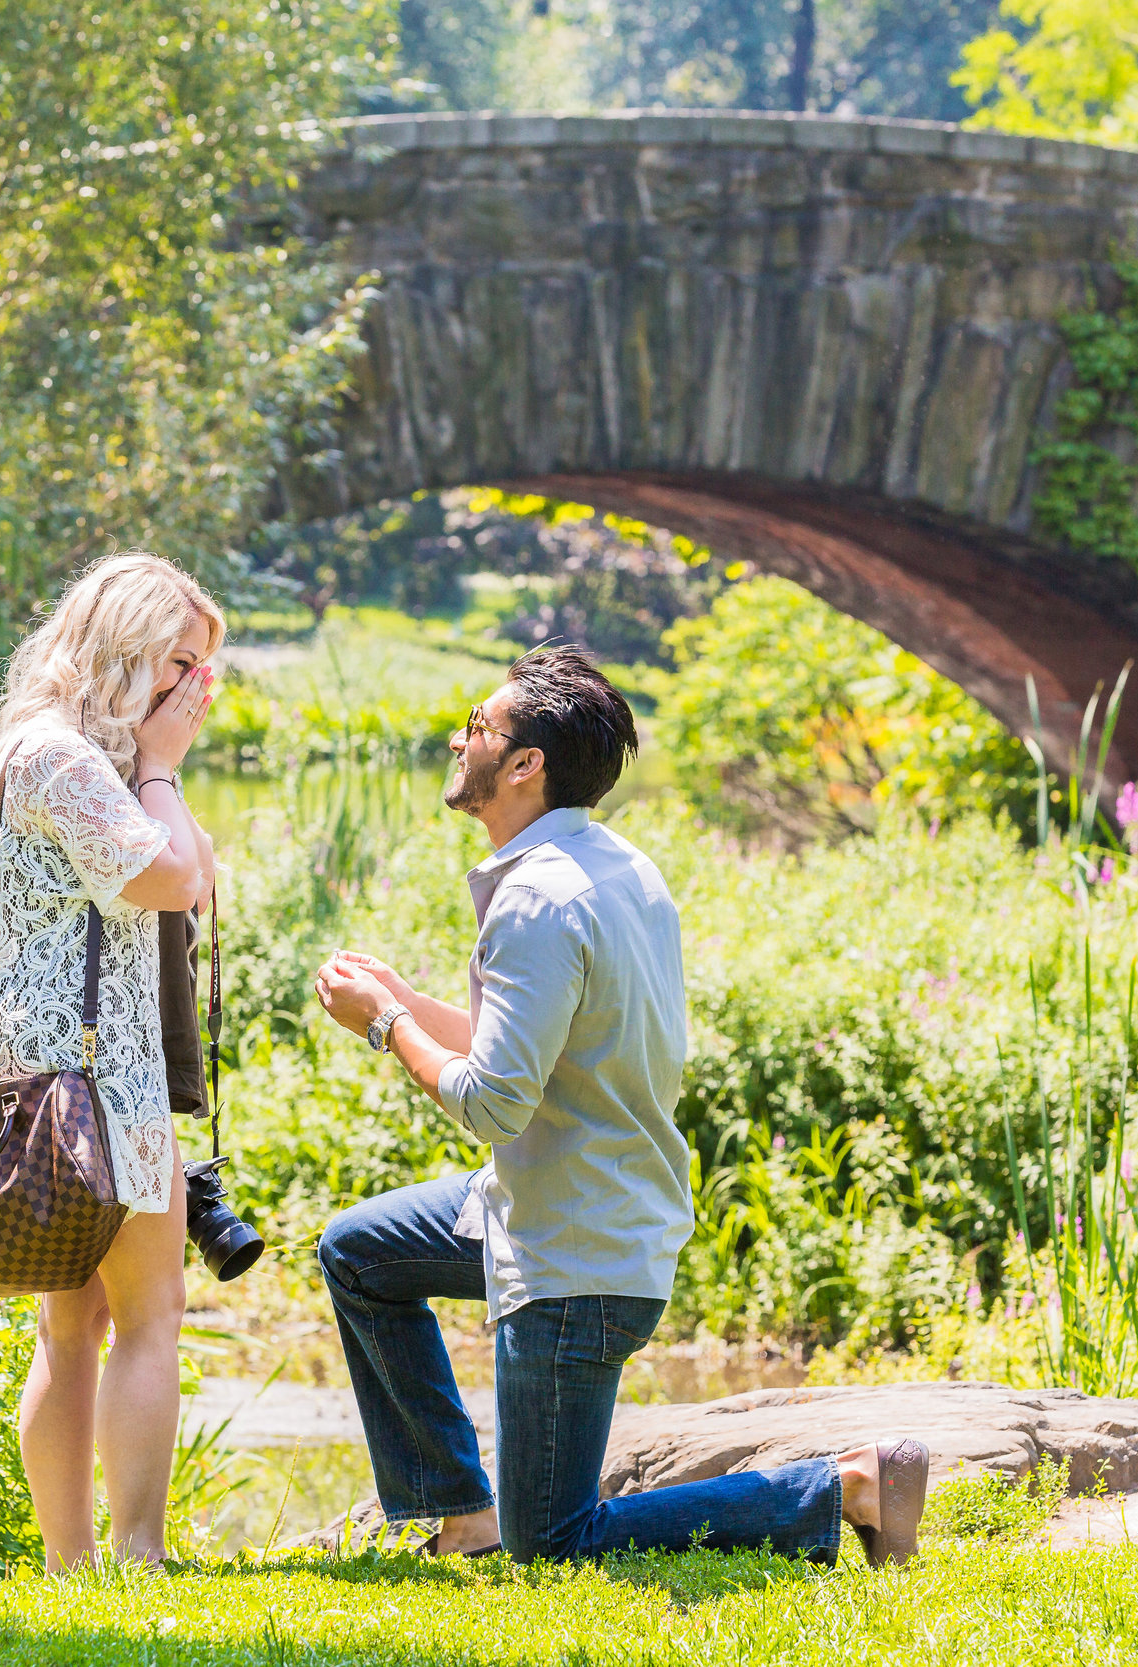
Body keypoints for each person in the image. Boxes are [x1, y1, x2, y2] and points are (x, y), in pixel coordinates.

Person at [312, 648, 929, 1566]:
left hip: (576, 1256)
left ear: (525, 765)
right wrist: (408, 997)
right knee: (360, 1252)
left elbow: (490, 1103)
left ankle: (845, 1485)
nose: (458, 736)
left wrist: (386, 1021)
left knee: (555, 1545)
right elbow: (527, 1045)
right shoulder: (610, 865)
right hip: (574, 1206)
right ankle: (461, 1512)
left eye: (478, 726)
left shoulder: (534, 899)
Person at [0, 551, 222, 1570]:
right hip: (95, 1073)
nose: (190, 691)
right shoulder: (67, 760)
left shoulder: (50, 756)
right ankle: (135, 1554)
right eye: (179, 662)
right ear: (126, 646)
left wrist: (157, 770)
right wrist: (160, 767)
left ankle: (72, 1563)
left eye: (202, 670)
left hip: (46, 1070)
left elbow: (189, 870)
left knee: (71, 1328)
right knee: (147, 1314)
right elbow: (172, 880)